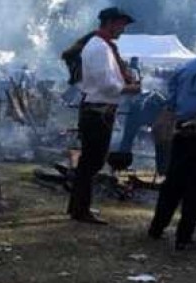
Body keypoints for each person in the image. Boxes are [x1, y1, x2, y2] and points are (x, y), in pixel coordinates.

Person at [66, 7, 140, 225]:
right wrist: (130, 89)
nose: (122, 29)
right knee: (92, 162)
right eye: (121, 25)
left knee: (89, 162)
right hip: (98, 111)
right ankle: (81, 210)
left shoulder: (102, 46)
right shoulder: (99, 48)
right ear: (109, 23)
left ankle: (78, 207)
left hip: (98, 111)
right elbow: (108, 85)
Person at [147, 41, 196, 250]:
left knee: (174, 182)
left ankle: (156, 228)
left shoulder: (186, 67)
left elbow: (171, 103)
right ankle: (184, 237)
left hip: (183, 133)